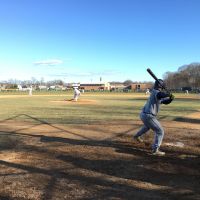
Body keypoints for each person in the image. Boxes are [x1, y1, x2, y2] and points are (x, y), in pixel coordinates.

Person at [133, 79, 174, 156]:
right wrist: (168, 94)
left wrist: (170, 98)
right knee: (160, 131)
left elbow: (165, 102)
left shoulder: (156, 93)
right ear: (161, 86)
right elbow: (161, 95)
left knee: (147, 127)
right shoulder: (156, 92)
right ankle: (155, 150)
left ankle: (136, 136)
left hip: (144, 114)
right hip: (149, 116)